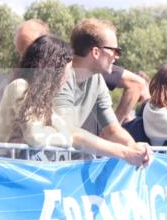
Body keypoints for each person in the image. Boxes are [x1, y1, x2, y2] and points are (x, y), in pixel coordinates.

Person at [53, 18, 152, 166]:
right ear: (96, 52)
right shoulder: (61, 75)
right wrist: (124, 153)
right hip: (32, 167)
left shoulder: (97, 79)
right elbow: (68, 132)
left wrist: (134, 147)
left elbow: (112, 130)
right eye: (115, 51)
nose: (116, 57)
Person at [15, 18, 150, 124]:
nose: (28, 59)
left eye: (32, 50)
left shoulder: (91, 68)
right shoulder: (34, 76)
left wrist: (113, 129)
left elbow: (136, 84)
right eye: (23, 54)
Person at [0, 35, 75, 147]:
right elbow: (36, 138)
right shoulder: (20, 86)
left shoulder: (40, 98)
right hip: (10, 162)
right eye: (66, 71)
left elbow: (66, 132)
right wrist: (54, 132)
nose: (67, 78)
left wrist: (46, 131)